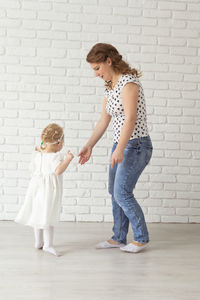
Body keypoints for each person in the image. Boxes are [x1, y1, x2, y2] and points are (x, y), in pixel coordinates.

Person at [78, 43, 153, 253]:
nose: (96, 74)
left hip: (136, 145)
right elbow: (104, 120)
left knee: (122, 192)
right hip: (120, 144)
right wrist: (89, 145)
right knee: (114, 191)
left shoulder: (129, 83)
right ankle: (119, 237)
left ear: (108, 61)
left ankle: (141, 238)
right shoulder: (110, 85)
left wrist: (120, 149)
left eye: (97, 68)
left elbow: (130, 119)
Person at [15, 123, 74, 256]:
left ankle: (38, 242)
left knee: (38, 214)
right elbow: (58, 171)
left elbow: (32, 169)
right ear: (58, 143)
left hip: (36, 189)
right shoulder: (55, 156)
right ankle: (48, 245)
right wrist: (67, 160)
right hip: (49, 191)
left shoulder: (38, 155)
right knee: (48, 216)